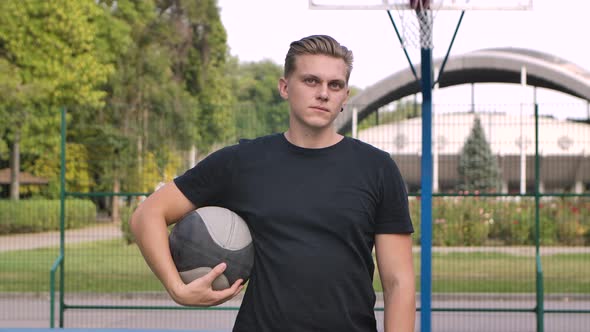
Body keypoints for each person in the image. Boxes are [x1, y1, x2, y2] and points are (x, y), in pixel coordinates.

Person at [130, 34, 415, 332]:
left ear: (345, 96)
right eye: (310, 81)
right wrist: (177, 288)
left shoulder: (377, 169)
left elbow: (398, 283)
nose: (323, 93)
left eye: (335, 85)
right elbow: (147, 215)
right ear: (284, 87)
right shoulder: (241, 162)